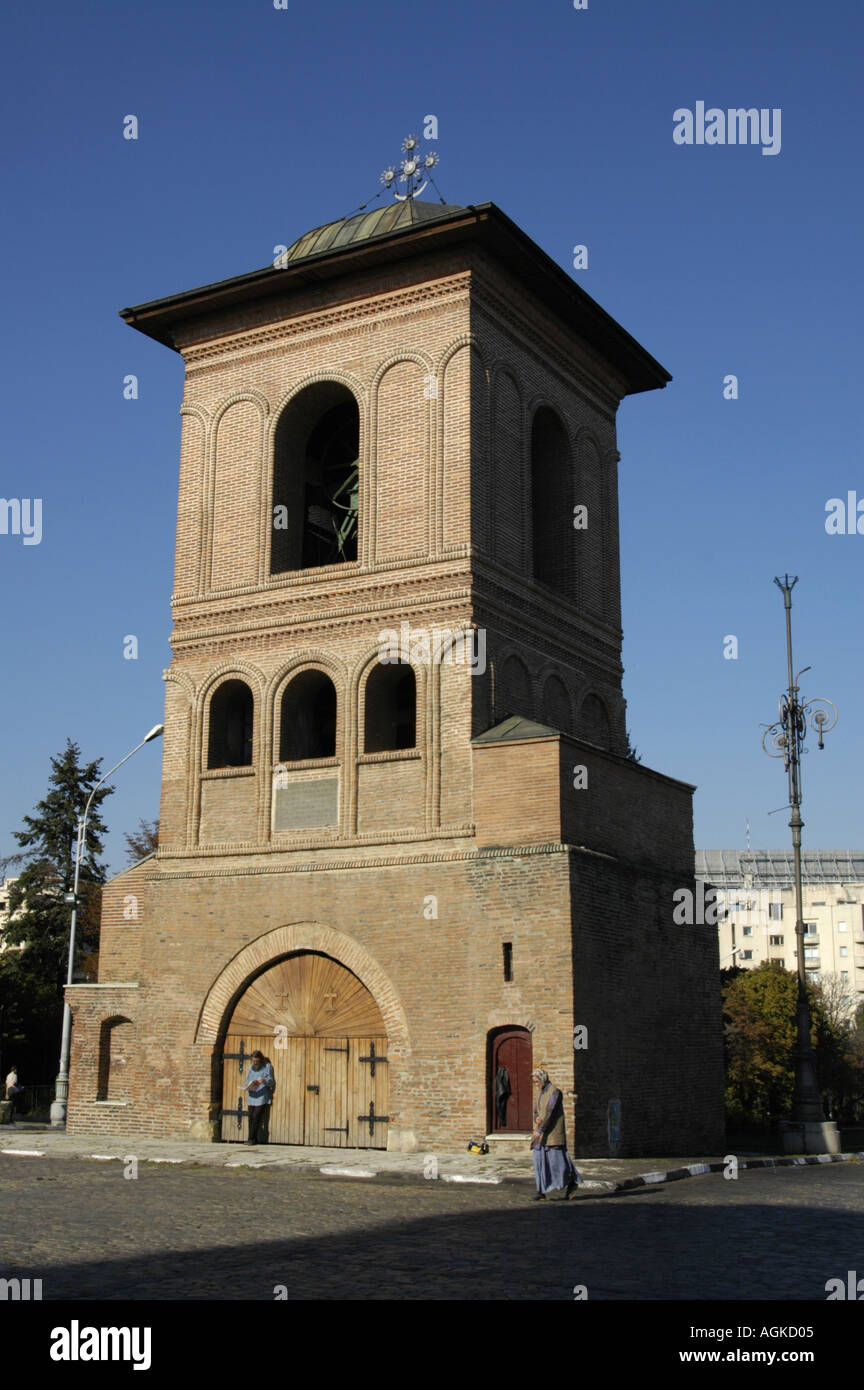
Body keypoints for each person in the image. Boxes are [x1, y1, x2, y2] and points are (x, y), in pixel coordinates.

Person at [530, 1067, 578, 1201]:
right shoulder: (540, 1094)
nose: (536, 1085)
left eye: (537, 1081)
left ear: (543, 1079)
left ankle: (571, 1182)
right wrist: (536, 1118)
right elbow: (536, 1110)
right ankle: (541, 1191)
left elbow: (550, 1113)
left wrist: (539, 1130)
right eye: (534, 1082)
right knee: (538, 1161)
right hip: (541, 1137)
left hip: (552, 1135)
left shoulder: (555, 1093)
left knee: (557, 1163)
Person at [241, 1051, 274, 1145]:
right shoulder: (251, 1067)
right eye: (253, 1061)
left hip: (262, 1095)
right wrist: (248, 1085)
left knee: (257, 1117)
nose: (255, 1062)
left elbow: (271, 1081)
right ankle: (250, 1137)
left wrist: (264, 1080)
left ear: (260, 1059)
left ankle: (252, 1139)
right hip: (252, 1094)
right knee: (250, 1117)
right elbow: (247, 1079)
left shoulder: (267, 1066)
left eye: (256, 1061)